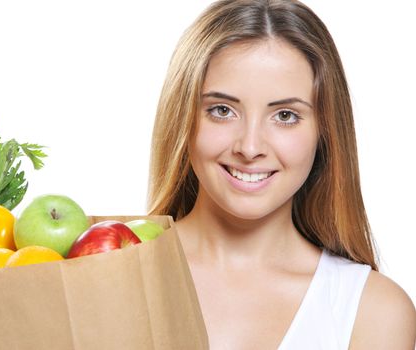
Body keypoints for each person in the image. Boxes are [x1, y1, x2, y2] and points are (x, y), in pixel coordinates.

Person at [147, 0, 416, 348]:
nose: (250, 146)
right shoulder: (108, 270)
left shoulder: (373, 311)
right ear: (183, 116)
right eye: (222, 110)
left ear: (325, 131)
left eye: (285, 115)